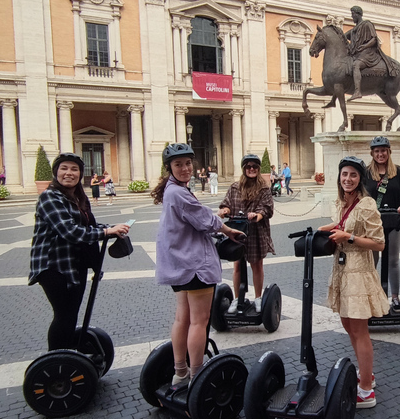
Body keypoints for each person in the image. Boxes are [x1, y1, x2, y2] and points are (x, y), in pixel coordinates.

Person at [152, 143, 246, 385]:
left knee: (182, 319)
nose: (185, 168)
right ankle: (196, 374)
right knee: (199, 321)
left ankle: (180, 372)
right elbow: (204, 219)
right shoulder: (178, 193)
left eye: (188, 163)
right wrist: (228, 230)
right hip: (193, 266)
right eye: (178, 164)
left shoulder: (172, 190)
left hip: (179, 265)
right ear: (169, 168)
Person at [29, 152, 130, 351]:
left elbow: (86, 224)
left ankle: (67, 355)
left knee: (71, 314)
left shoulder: (77, 197)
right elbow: (69, 231)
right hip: (54, 267)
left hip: (76, 264)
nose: (69, 173)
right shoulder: (50, 197)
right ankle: (57, 358)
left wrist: (112, 228)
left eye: (74, 169)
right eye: (64, 168)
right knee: (64, 314)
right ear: (56, 172)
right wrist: (106, 232)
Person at [319, 156, 388, 409]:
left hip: (358, 273)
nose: (348, 179)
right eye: (344, 174)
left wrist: (349, 237)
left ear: (360, 179)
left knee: (360, 331)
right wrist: (320, 230)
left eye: (353, 175)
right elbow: (340, 223)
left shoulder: (367, 204)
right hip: (342, 270)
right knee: (348, 325)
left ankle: (367, 390)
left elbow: (379, 243)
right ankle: (365, 374)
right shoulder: (341, 202)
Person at [218, 154, 275, 314]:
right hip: (238, 230)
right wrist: (225, 210)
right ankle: (237, 298)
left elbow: (267, 208)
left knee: (257, 264)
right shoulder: (235, 187)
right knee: (237, 265)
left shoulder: (264, 188)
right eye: (248, 167)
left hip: (256, 231)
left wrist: (258, 215)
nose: (252, 169)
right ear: (244, 169)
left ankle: (258, 298)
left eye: (255, 167)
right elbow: (227, 203)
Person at [364, 136, 400, 312]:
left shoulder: (397, 172)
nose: (380, 154)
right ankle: (373, 295)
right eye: (377, 151)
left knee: (393, 260)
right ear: (372, 153)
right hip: (372, 224)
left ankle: (394, 297)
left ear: (389, 152)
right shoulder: (366, 173)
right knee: (372, 260)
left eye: (383, 150)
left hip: (394, 221)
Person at [344, 6, 399, 101]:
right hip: (358, 53)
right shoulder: (354, 29)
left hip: (368, 53)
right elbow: (344, 37)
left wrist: (364, 46)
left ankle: (357, 91)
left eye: (353, 14)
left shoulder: (367, 24)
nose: (352, 17)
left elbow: (374, 39)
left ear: (358, 14)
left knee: (356, 65)